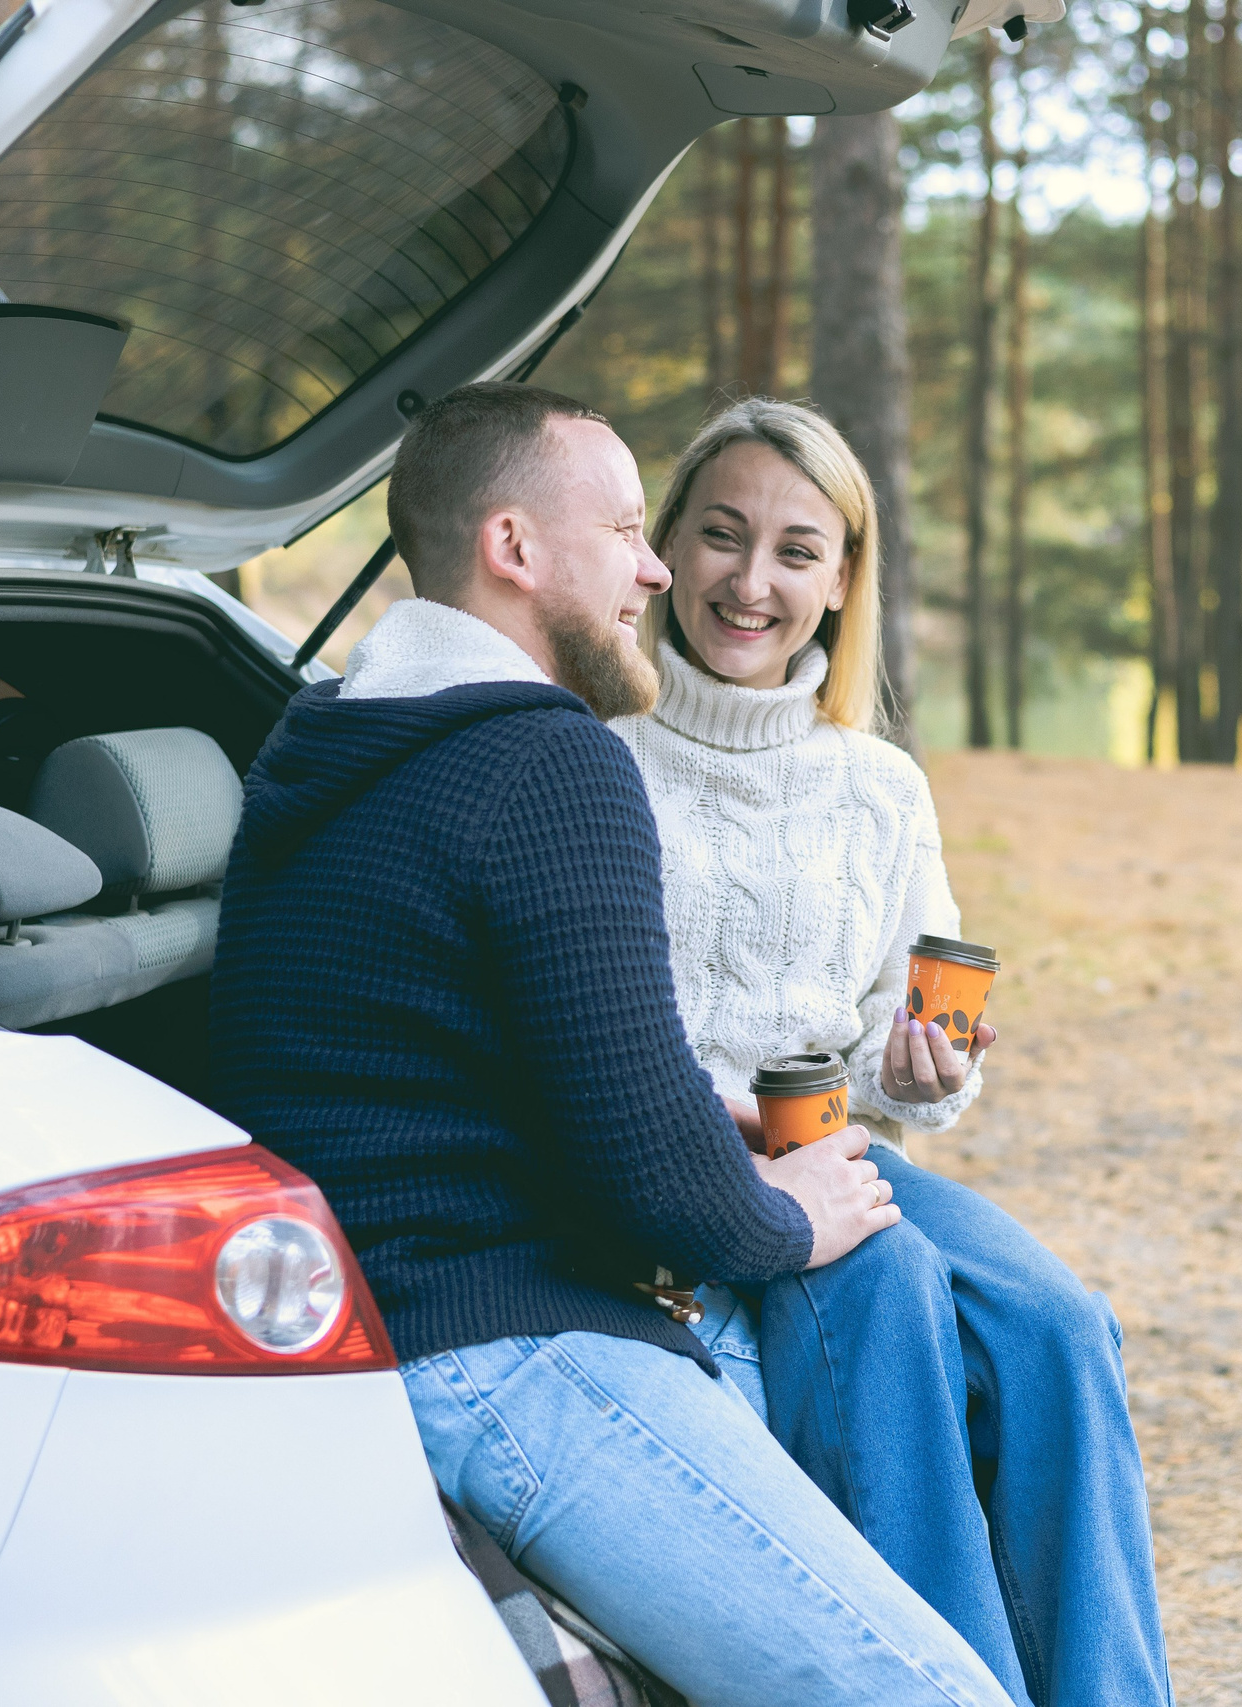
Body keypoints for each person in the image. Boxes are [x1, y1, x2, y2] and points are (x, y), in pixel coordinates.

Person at [210, 382, 1018, 1707]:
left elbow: (511, 1070)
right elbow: (659, 1180)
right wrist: (785, 1216)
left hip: (368, 1328)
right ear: (516, 550)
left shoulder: (334, 732)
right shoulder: (548, 762)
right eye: (634, 532)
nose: (655, 569)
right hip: (507, 1355)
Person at [611, 398, 1174, 1707]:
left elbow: (906, 1029)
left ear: (842, 580)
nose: (751, 584)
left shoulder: (878, 784)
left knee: (1057, 1324)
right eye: (721, 536)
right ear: (665, 551)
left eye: (797, 551)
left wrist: (929, 1072)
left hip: (842, 1142)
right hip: (695, 1155)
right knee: (900, 1300)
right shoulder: (599, 757)